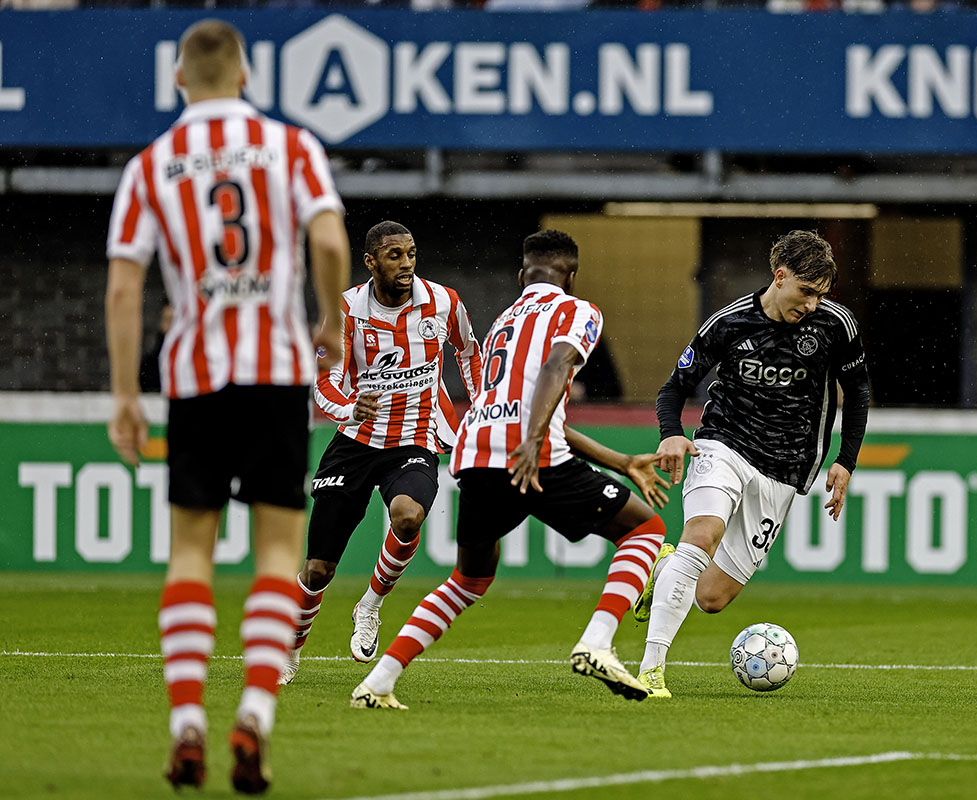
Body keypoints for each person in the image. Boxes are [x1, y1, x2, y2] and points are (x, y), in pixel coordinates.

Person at [104, 19, 349, 794]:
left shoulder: (151, 165)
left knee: (189, 554)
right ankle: (254, 715)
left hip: (195, 378)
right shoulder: (291, 147)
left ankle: (184, 724)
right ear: (245, 75)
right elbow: (333, 241)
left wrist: (123, 395)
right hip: (275, 375)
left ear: (180, 80)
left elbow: (121, 285)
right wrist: (330, 325)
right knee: (277, 552)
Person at [348, 229, 670, 709]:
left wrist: (620, 461)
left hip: (474, 452)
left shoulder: (504, 320)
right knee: (647, 530)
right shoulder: (577, 310)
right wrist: (534, 439)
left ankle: (377, 683)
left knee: (468, 579)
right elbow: (557, 367)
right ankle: (598, 643)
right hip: (527, 451)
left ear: (523, 276)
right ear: (572, 277)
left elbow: (527, 405)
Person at [634, 229, 870, 698]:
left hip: (784, 468)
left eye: (821, 295)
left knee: (712, 598)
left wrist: (846, 460)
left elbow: (858, 391)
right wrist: (672, 435)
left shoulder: (835, 326)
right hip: (723, 443)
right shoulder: (729, 322)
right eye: (806, 291)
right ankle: (650, 668)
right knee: (701, 535)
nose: (812, 304)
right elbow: (672, 389)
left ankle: (662, 569)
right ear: (779, 277)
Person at [280, 221, 482, 684]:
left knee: (408, 515)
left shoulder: (444, 302)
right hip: (355, 441)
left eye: (411, 254)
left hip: (416, 437)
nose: (407, 264)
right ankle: (290, 647)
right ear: (371, 261)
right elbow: (324, 379)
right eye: (395, 256)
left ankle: (370, 604)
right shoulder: (347, 309)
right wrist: (350, 408)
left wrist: (483, 408)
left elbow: (470, 354)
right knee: (317, 568)